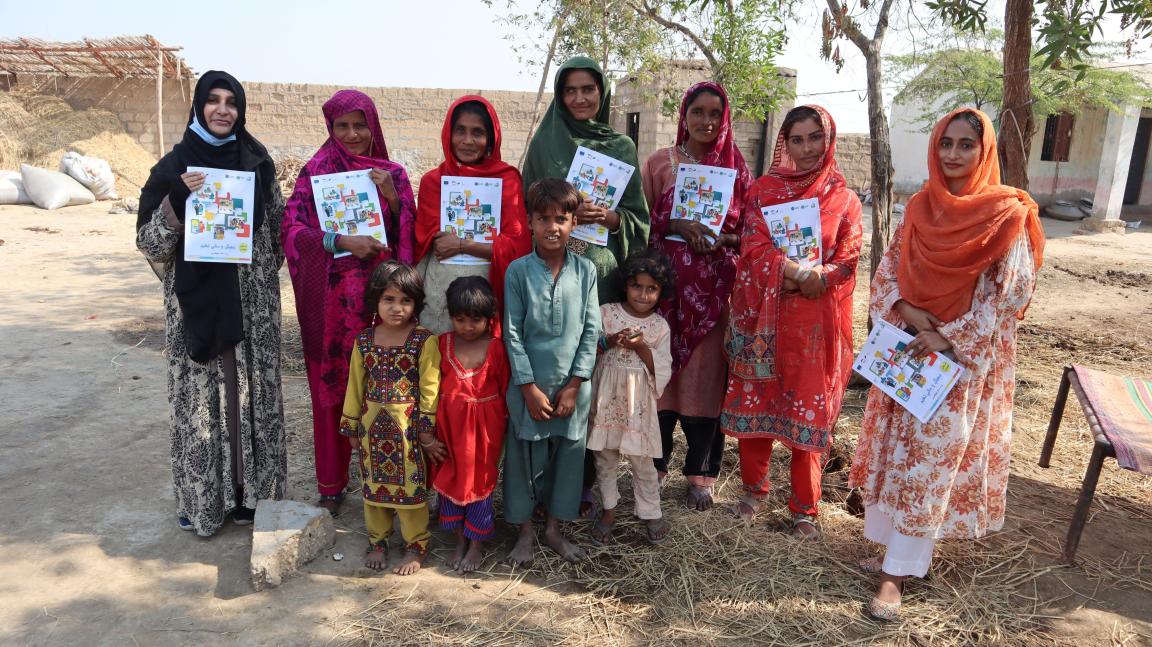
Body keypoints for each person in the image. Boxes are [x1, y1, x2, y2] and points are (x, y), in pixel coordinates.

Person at [849, 108, 1044, 620]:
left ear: (985, 153)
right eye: (945, 144)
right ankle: (900, 554)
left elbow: (1009, 297)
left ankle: (897, 574)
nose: (953, 155)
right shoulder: (918, 208)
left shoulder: (1007, 215)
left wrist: (946, 337)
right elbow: (888, 271)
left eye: (965, 145)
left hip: (957, 363)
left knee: (930, 463)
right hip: (908, 348)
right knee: (900, 456)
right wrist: (911, 314)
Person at [136, 71, 285, 536]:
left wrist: (249, 272)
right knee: (203, 401)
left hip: (251, 307)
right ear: (198, 106)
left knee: (251, 396)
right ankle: (206, 502)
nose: (223, 110)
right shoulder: (172, 167)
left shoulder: (257, 163)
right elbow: (149, 243)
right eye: (213, 101)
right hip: (195, 304)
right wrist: (178, 201)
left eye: (232, 103)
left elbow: (276, 232)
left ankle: (253, 498)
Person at [720, 105, 863, 537]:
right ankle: (754, 492)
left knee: (809, 411)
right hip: (762, 319)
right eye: (796, 139)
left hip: (814, 327)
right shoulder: (764, 190)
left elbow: (849, 257)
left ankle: (805, 509)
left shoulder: (844, 199)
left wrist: (823, 277)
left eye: (814, 138)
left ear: (829, 139)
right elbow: (753, 245)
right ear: (786, 142)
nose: (805, 148)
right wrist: (799, 273)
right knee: (758, 404)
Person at [521, 56, 650, 514]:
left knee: (592, 381)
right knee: (552, 372)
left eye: (588, 90)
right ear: (560, 95)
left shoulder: (621, 147)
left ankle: (587, 484)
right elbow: (527, 205)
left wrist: (609, 216)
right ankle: (540, 483)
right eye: (570, 90)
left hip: (601, 277)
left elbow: (639, 218)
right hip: (551, 275)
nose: (579, 98)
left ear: (602, 94)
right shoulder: (544, 143)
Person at [282, 90, 417, 516]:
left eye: (361, 125)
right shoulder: (315, 174)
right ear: (330, 128)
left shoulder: (392, 172)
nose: (353, 134)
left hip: (382, 306)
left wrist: (391, 197)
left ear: (373, 125)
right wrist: (339, 241)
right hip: (332, 306)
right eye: (343, 126)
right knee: (334, 392)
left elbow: (408, 237)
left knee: (384, 393)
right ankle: (332, 484)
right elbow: (291, 231)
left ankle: (388, 481)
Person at [641, 82, 752, 510]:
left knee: (705, 381)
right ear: (683, 116)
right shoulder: (658, 164)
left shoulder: (737, 170)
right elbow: (641, 223)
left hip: (715, 296)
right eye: (697, 112)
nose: (706, 122)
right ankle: (655, 466)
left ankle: (701, 475)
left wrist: (722, 238)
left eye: (714, 114)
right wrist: (676, 227)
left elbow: (750, 234)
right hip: (664, 295)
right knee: (662, 379)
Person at [502, 178, 601, 566]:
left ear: (574, 223)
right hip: (530, 386)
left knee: (568, 457)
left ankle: (554, 529)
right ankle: (524, 532)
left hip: (572, 390)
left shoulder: (586, 271)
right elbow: (512, 331)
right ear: (529, 222)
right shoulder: (518, 272)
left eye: (561, 218)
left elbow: (591, 330)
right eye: (543, 219)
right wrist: (527, 387)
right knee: (523, 457)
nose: (552, 227)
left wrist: (576, 384)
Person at [339, 261, 440, 576]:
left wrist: (425, 429)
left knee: (411, 487)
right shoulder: (364, 340)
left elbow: (430, 387)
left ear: (416, 304)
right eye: (389, 299)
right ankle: (378, 540)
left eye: (405, 301)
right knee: (374, 486)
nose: (397, 308)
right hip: (371, 430)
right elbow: (356, 385)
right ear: (375, 301)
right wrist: (352, 424)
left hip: (408, 431)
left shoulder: (424, 340)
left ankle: (415, 544)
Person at [414, 96, 531, 333]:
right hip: (439, 294)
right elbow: (424, 243)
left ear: (490, 139)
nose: (468, 141)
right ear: (449, 133)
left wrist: (462, 245)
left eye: (477, 132)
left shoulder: (506, 180)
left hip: (487, 292)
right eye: (460, 131)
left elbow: (518, 249)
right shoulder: (433, 182)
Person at [421, 276, 510, 573]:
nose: (467, 327)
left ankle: (476, 544)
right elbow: (429, 388)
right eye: (459, 319)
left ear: (489, 318)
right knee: (452, 476)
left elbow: (506, 387)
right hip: (449, 429)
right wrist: (427, 432)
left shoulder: (497, 348)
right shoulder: (440, 343)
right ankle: (459, 539)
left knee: (480, 482)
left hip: (485, 433)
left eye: (475, 320)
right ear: (450, 316)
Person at [587, 248, 674, 545]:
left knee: (643, 463)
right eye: (637, 285)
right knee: (605, 460)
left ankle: (650, 511)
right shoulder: (606, 313)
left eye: (652, 289)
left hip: (638, 410)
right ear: (625, 284)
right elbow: (589, 348)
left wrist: (641, 347)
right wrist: (609, 340)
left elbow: (662, 368)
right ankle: (609, 510)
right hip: (605, 403)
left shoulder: (660, 327)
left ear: (661, 291)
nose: (643, 294)